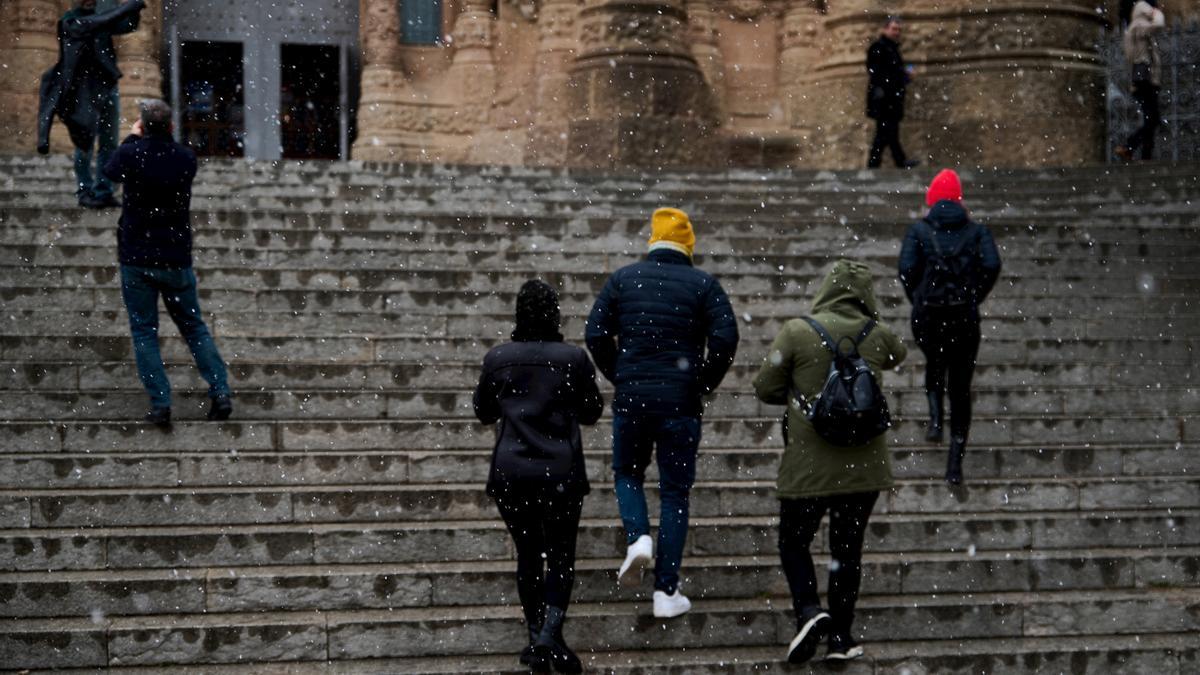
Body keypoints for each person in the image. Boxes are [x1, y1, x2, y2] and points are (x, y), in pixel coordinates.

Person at [585, 207, 739, 619]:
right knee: (674, 493)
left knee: (628, 473)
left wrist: (622, 374)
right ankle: (666, 591)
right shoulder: (704, 285)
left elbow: (594, 333)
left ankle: (638, 538)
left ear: (652, 241)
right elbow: (726, 339)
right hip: (680, 403)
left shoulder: (623, 279)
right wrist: (701, 382)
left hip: (633, 397)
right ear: (688, 244)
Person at [753, 259, 907, 664]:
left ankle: (808, 609)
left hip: (808, 464)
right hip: (865, 467)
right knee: (847, 550)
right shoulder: (878, 336)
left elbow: (765, 386)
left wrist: (799, 388)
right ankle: (840, 636)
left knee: (793, 541)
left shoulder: (797, 332)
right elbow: (898, 354)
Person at [473, 279, 604, 674]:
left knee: (529, 554)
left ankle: (538, 638)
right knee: (561, 554)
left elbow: (483, 411)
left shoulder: (499, 358)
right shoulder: (572, 358)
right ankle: (549, 634)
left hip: (512, 472)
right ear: (555, 313)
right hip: (559, 471)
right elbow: (592, 410)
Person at [102, 99, 232, 427]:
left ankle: (161, 403)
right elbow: (167, 154)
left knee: (144, 332)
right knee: (194, 328)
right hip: (175, 256)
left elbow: (109, 172)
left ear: (143, 126)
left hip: (137, 257)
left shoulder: (132, 153)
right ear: (172, 127)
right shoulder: (185, 158)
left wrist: (133, 138)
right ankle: (220, 393)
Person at [898, 169, 1002, 484]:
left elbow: (905, 269)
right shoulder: (977, 231)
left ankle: (934, 419)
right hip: (963, 318)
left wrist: (918, 296)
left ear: (931, 200)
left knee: (934, 360)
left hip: (928, 315)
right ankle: (954, 465)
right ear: (959, 200)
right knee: (960, 388)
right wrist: (974, 295)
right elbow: (992, 265)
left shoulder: (919, 230)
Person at [38, 0, 147, 209]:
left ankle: (103, 190)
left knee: (109, 141)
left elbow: (127, 26)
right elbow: (92, 24)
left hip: (106, 85)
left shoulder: (103, 19)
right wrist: (123, 9)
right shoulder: (69, 20)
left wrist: (135, 9)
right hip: (83, 87)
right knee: (84, 140)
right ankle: (84, 190)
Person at [866, 17, 919, 170]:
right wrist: (899, 77)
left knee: (884, 134)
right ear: (885, 29)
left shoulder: (892, 49)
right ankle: (899, 161)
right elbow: (876, 72)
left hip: (891, 98)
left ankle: (875, 164)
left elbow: (891, 73)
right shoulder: (878, 47)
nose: (897, 32)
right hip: (884, 99)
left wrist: (904, 76)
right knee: (888, 132)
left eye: (898, 29)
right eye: (894, 29)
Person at [1116, 1, 1166, 161]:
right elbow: (1159, 24)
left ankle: (1144, 155)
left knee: (1150, 119)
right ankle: (1128, 146)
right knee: (1152, 119)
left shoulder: (1132, 27)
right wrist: (1157, 14)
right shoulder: (1140, 25)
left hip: (1141, 80)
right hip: (1146, 80)